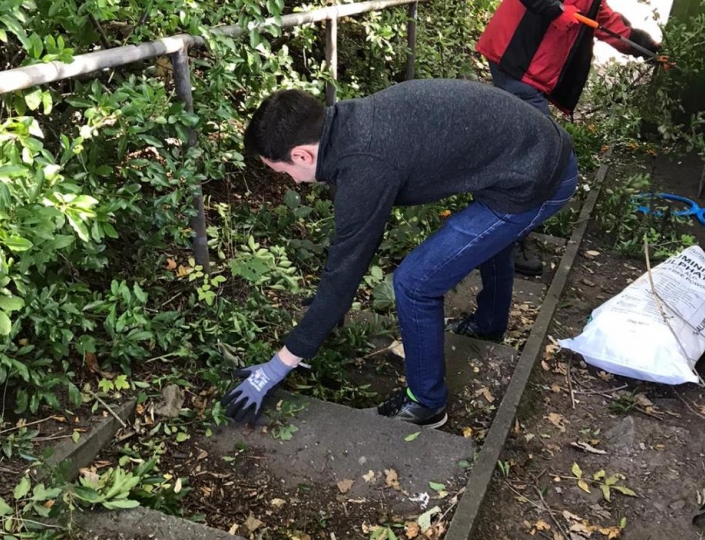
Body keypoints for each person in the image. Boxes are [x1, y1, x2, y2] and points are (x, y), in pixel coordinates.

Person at [222, 79, 578, 428]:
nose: (293, 182)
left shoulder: (365, 164)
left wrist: (277, 365)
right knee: (487, 238)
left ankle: (426, 404)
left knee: (414, 282)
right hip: (531, 149)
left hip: (538, 179)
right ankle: (487, 327)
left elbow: (344, 272)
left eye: (285, 172)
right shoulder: (348, 123)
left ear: (301, 154)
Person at [477, 0, 660, 274]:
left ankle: (494, 230)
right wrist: (555, 9)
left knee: (519, 149)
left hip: (528, 70)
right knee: (539, 156)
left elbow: (604, 20)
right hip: (515, 61)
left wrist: (647, 48)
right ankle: (503, 238)